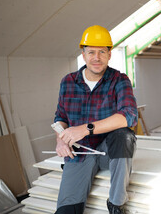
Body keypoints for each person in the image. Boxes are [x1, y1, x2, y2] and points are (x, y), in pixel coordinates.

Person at [53, 25, 138, 214]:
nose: (96, 58)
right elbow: (61, 118)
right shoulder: (68, 82)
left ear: (109, 54)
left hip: (110, 152)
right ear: (83, 55)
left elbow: (129, 115)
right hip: (79, 153)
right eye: (91, 52)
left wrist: (85, 128)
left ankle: (116, 204)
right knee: (66, 211)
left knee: (123, 135)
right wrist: (60, 139)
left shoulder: (120, 80)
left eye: (102, 52)